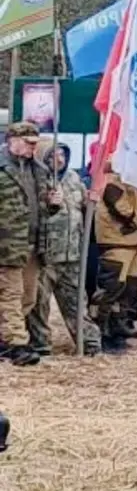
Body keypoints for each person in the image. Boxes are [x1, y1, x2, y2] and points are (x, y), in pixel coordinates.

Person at [26, 142, 98, 357]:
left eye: (62, 155)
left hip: (72, 254)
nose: (59, 159)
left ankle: (89, 343)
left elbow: (84, 206)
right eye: (53, 156)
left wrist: (92, 201)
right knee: (38, 305)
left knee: (77, 303)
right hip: (44, 256)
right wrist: (48, 202)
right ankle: (40, 345)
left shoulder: (74, 178)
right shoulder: (35, 180)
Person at [0, 122, 59, 366]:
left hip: (34, 244)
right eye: (28, 143)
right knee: (10, 295)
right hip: (7, 245)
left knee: (28, 297)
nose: (33, 148)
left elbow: (44, 207)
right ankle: (16, 344)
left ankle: (5, 339)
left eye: (35, 144)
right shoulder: (2, 169)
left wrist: (53, 204)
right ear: (12, 140)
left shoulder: (40, 170)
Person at [93, 162, 137, 356]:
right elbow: (121, 210)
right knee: (111, 289)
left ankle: (118, 326)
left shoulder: (134, 184)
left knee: (128, 289)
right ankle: (101, 332)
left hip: (132, 243)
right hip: (117, 242)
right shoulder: (113, 184)